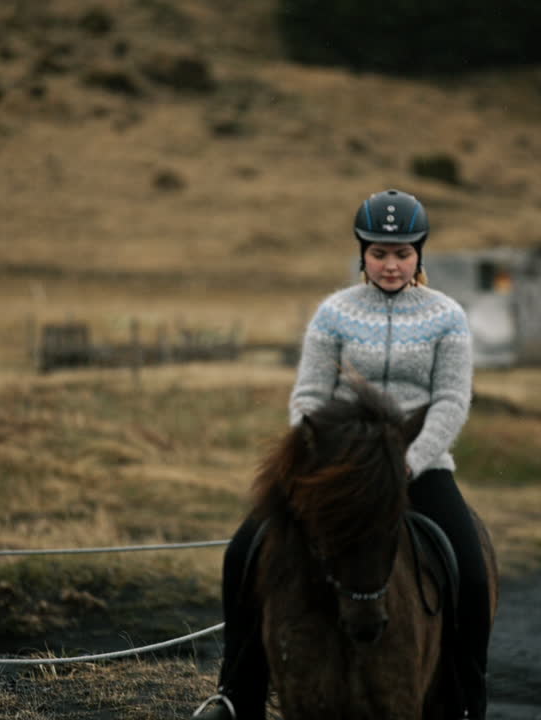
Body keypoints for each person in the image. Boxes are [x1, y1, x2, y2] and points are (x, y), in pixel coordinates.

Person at [193, 189, 490, 720]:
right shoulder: (334, 313)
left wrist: (409, 462)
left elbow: (451, 399)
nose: (391, 264)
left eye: (402, 253)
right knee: (243, 553)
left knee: (469, 568)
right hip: (336, 473)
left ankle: (467, 697)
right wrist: (320, 460)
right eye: (379, 252)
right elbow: (308, 398)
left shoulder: (448, 317)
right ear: (362, 253)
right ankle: (235, 696)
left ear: (420, 252)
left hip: (415, 468)